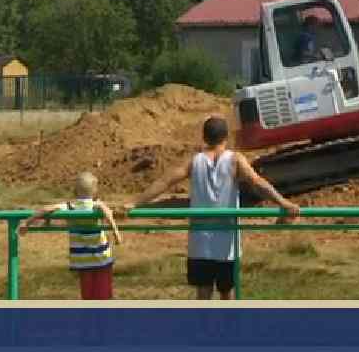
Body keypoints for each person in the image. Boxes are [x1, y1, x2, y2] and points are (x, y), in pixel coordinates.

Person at [129, 116, 299, 299]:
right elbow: (257, 182)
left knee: (203, 293)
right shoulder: (235, 160)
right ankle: (228, 327)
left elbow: (165, 181)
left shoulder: (194, 161)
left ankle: (205, 327)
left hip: (200, 242)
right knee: (227, 293)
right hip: (226, 243)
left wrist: (135, 202)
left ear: (204, 137)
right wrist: (283, 202)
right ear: (226, 137)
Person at [21, 171, 123, 300]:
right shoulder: (95, 205)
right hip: (102, 259)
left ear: (75, 191)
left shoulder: (69, 207)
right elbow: (107, 212)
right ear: (95, 191)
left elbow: (46, 209)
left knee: (87, 295)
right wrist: (116, 232)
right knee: (104, 295)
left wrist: (27, 222)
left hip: (83, 261)